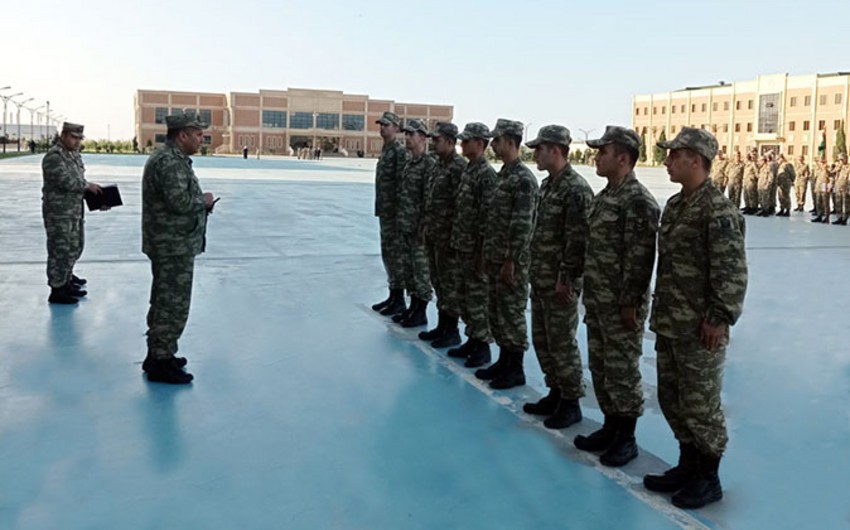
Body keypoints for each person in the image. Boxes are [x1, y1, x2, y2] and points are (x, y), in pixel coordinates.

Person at [644, 127, 747, 509]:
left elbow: (732, 271)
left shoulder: (718, 210)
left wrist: (718, 318)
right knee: (673, 399)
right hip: (672, 322)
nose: (668, 161)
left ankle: (708, 478)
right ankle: (688, 465)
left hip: (700, 328)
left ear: (697, 160)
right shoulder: (675, 205)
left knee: (701, 405)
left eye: (675, 155)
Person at [572, 126, 659, 467]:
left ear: (622, 158)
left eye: (602, 152)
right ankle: (610, 428)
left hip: (621, 305)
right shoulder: (605, 196)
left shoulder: (638, 201)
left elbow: (640, 259)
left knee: (622, 371)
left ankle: (626, 438)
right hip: (598, 300)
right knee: (602, 367)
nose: (596, 157)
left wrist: (630, 304)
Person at [521, 125, 592, 427]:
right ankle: (555, 391)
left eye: (539, 148)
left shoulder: (576, 189)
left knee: (562, 342)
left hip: (560, 283)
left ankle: (571, 401)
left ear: (555, 150)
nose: (534, 153)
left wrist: (568, 278)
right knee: (544, 340)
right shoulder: (548, 186)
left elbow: (578, 240)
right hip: (541, 278)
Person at [141, 110, 216, 384]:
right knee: (171, 303)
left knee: (167, 300)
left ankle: (161, 354)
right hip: (171, 245)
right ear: (182, 135)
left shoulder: (175, 160)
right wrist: (204, 201)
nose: (202, 138)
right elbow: (179, 203)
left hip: (174, 242)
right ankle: (160, 360)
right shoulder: (169, 162)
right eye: (198, 134)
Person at [475, 119, 538, 389]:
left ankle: (516, 368)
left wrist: (512, 260)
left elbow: (523, 225)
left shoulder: (523, 179)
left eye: (497, 140)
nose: (493, 145)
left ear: (511, 142)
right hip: (495, 256)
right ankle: (503, 361)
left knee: (511, 314)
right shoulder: (504, 175)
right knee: (497, 312)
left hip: (511, 261)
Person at [446, 123, 497, 368]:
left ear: (480, 143)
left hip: (474, 249)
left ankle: (482, 346)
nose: (462, 145)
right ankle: (472, 339)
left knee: (477, 299)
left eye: (466, 141)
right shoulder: (469, 170)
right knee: (464, 297)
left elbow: (487, 218)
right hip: (461, 245)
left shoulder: (486, 175)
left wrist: (481, 252)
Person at [41, 122, 107, 304]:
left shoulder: (73, 155)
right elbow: (67, 182)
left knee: (74, 246)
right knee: (60, 249)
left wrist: (98, 199)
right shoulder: (54, 157)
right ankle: (57, 289)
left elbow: (79, 182)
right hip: (58, 212)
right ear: (63, 135)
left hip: (74, 210)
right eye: (73, 137)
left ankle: (66, 279)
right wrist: (88, 187)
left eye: (79, 138)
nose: (77, 141)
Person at [418, 122, 466, 347]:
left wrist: (454, 238)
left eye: (437, 140)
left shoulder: (458, 167)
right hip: (434, 236)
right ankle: (442, 327)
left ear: (450, 141)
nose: (433, 143)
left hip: (448, 239)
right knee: (438, 282)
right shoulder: (438, 165)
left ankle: (452, 330)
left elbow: (461, 206)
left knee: (450, 285)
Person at [392, 119, 435, 328]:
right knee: (409, 270)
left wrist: (424, 226)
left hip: (419, 229)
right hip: (405, 225)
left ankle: (421, 311)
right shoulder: (409, 163)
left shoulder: (429, 165)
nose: (407, 137)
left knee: (421, 271)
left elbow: (429, 198)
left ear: (423, 138)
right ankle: (412, 308)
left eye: (411, 134)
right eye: (406, 134)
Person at [371, 111, 410, 316]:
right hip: (385, 211)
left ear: (396, 127)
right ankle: (393, 295)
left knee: (396, 255)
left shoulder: (399, 151)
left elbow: (402, 184)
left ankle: (399, 299)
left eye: (386, 124)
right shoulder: (386, 149)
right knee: (388, 253)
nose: (382, 127)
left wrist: (399, 213)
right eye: (381, 124)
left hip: (394, 214)